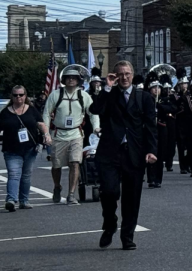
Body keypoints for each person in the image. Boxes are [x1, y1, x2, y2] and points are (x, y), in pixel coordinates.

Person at [90, 60, 158, 249]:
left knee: (132, 197)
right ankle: (110, 224)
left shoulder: (144, 97)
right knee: (109, 192)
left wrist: (152, 150)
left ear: (133, 74)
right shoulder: (109, 95)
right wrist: (106, 88)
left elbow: (151, 127)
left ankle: (127, 236)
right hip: (110, 152)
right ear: (114, 76)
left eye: (127, 73)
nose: (124, 77)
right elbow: (95, 109)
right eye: (120, 74)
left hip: (134, 152)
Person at [42, 64, 98, 206]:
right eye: (68, 78)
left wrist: (97, 127)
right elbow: (47, 114)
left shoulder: (84, 96)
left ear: (78, 80)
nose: (71, 80)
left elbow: (93, 113)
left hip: (76, 134)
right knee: (56, 165)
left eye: (74, 78)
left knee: (75, 163)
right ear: (64, 80)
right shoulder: (56, 94)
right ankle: (57, 186)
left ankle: (71, 194)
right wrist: (46, 133)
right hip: (59, 134)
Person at [3, 84, 48, 211]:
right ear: (11, 96)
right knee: (14, 174)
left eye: (21, 95)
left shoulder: (32, 110)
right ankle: (11, 200)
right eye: (15, 95)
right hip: (11, 149)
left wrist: (46, 134)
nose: (18, 97)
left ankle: (24, 200)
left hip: (30, 149)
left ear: (25, 96)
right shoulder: (5, 113)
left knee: (26, 175)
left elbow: (41, 124)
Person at [145, 82, 175, 188]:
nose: (156, 90)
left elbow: (172, 109)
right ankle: (151, 178)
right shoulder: (147, 99)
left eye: (158, 88)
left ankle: (158, 179)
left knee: (161, 153)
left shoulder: (165, 100)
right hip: (150, 129)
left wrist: (160, 106)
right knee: (151, 151)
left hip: (161, 128)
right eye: (153, 88)